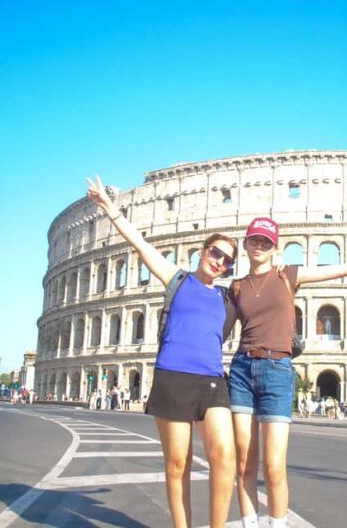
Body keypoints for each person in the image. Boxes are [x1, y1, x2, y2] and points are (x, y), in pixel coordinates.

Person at [225, 216, 347, 528]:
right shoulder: (236, 287)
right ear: (245, 244)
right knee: (245, 464)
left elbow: (339, 269)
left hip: (276, 369)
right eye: (254, 240)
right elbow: (218, 332)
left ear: (275, 248)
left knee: (274, 466)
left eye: (266, 241)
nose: (259, 246)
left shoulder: (288, 275)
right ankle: (249, 523)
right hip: (242, 371)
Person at [87, 175, 237, 528]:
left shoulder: (226, 296)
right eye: (216, 253)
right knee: (177, 464)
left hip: (212, 382)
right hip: (172, 377)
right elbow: (141, 245)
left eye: (227, 260)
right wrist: (111, 209)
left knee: (225, 459)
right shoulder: (178, 279)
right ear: (203, 251)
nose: (219, 262)